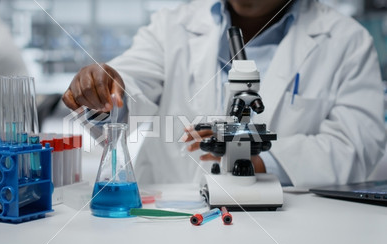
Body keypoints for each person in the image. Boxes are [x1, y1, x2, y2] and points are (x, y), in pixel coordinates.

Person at [63, 0, 386, 188]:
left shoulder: (346, 40)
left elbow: (355, 144)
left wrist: (252, 160)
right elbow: (132, 80)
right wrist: (105, 88)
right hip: (168, 217)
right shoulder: (173, 23)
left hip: (288, 228)